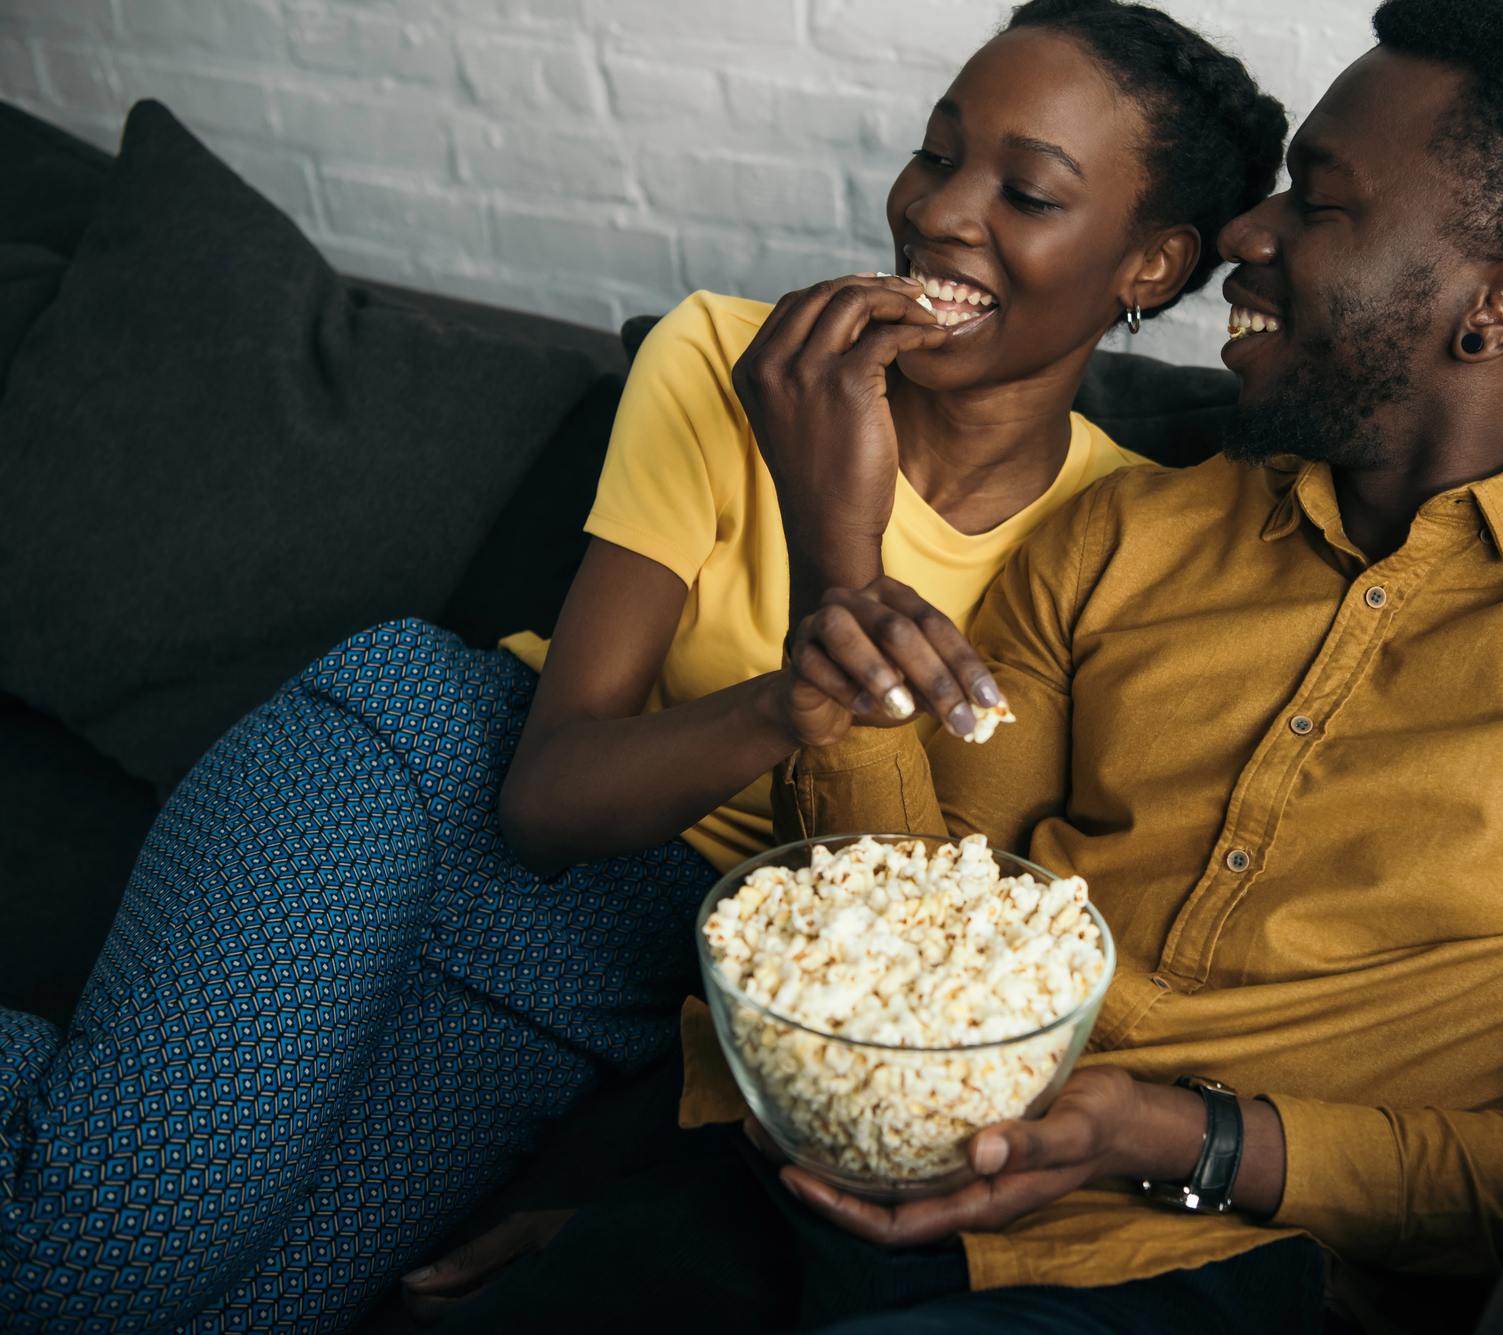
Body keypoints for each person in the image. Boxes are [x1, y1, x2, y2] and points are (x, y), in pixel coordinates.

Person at [431, 1, 1503, 1333]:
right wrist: (847, 573)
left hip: (1198, 1274)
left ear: (1495, 307)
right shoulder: (1124, 534)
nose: (1245, 233)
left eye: (1322, 201)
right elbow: (917, 909)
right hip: (834, 1171)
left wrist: (1188, 1136)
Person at [0, 3, 1286, 1331]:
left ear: (1150, 263)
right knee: (91, 1249)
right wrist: (808, 639)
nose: (941, 213)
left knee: (217, 1317)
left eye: (1026, 191)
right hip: (425, 775)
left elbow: (920, 932)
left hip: (613, 969)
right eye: (936, 154)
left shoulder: (1128, 539)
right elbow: (543, 799)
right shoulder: (730, 360)